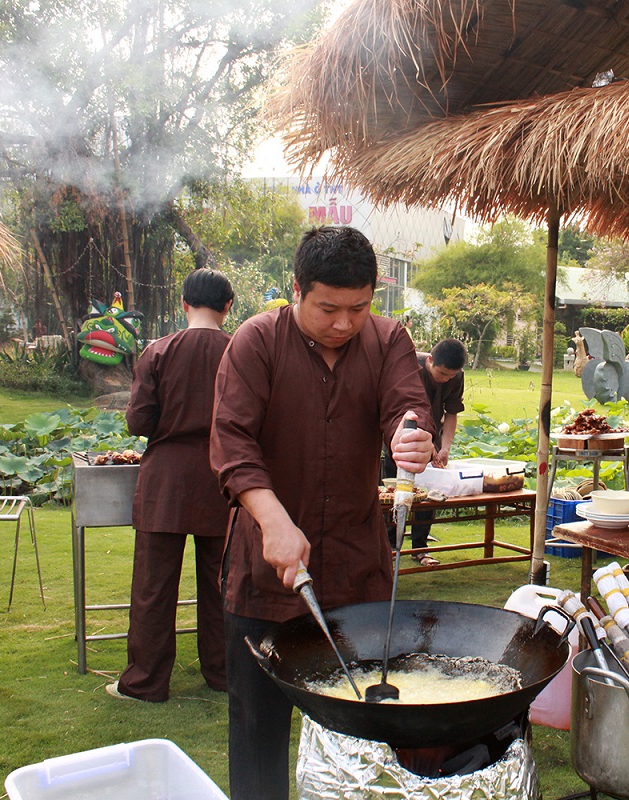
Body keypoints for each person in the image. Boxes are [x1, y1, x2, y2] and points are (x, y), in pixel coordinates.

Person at [209, 226, 434, 800]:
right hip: (267, 573)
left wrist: (411, 436)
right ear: (297, 290)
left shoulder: (387, 341)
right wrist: (274, 521)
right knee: (257, 728)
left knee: (360, 729)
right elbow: (233, 444)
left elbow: (405, 406)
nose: (343, 323)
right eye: (328, 308)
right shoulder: (257, 341)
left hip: (357, 569)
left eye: (358, 308)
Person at [107, 269, 235, 703]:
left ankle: (145, 681)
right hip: (223, 476)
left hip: (166, 480)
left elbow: (138, 420)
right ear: (228, 307)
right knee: (223, 584)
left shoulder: (158, 350)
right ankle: (224, 673)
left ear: (184, 304)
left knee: (153, 586)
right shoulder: (241, 351)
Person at [382, 338, 466, 566]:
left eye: (451, 376)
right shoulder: (409, 366)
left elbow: (451, 412)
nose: (446, 379)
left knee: (428, 492)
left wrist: (445, 447)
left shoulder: (456, 376)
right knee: (394, 490)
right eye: (442, 374)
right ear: (430, 360)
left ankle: (419, 547)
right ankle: (389, 546)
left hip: (431, 438)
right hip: (400, 438)